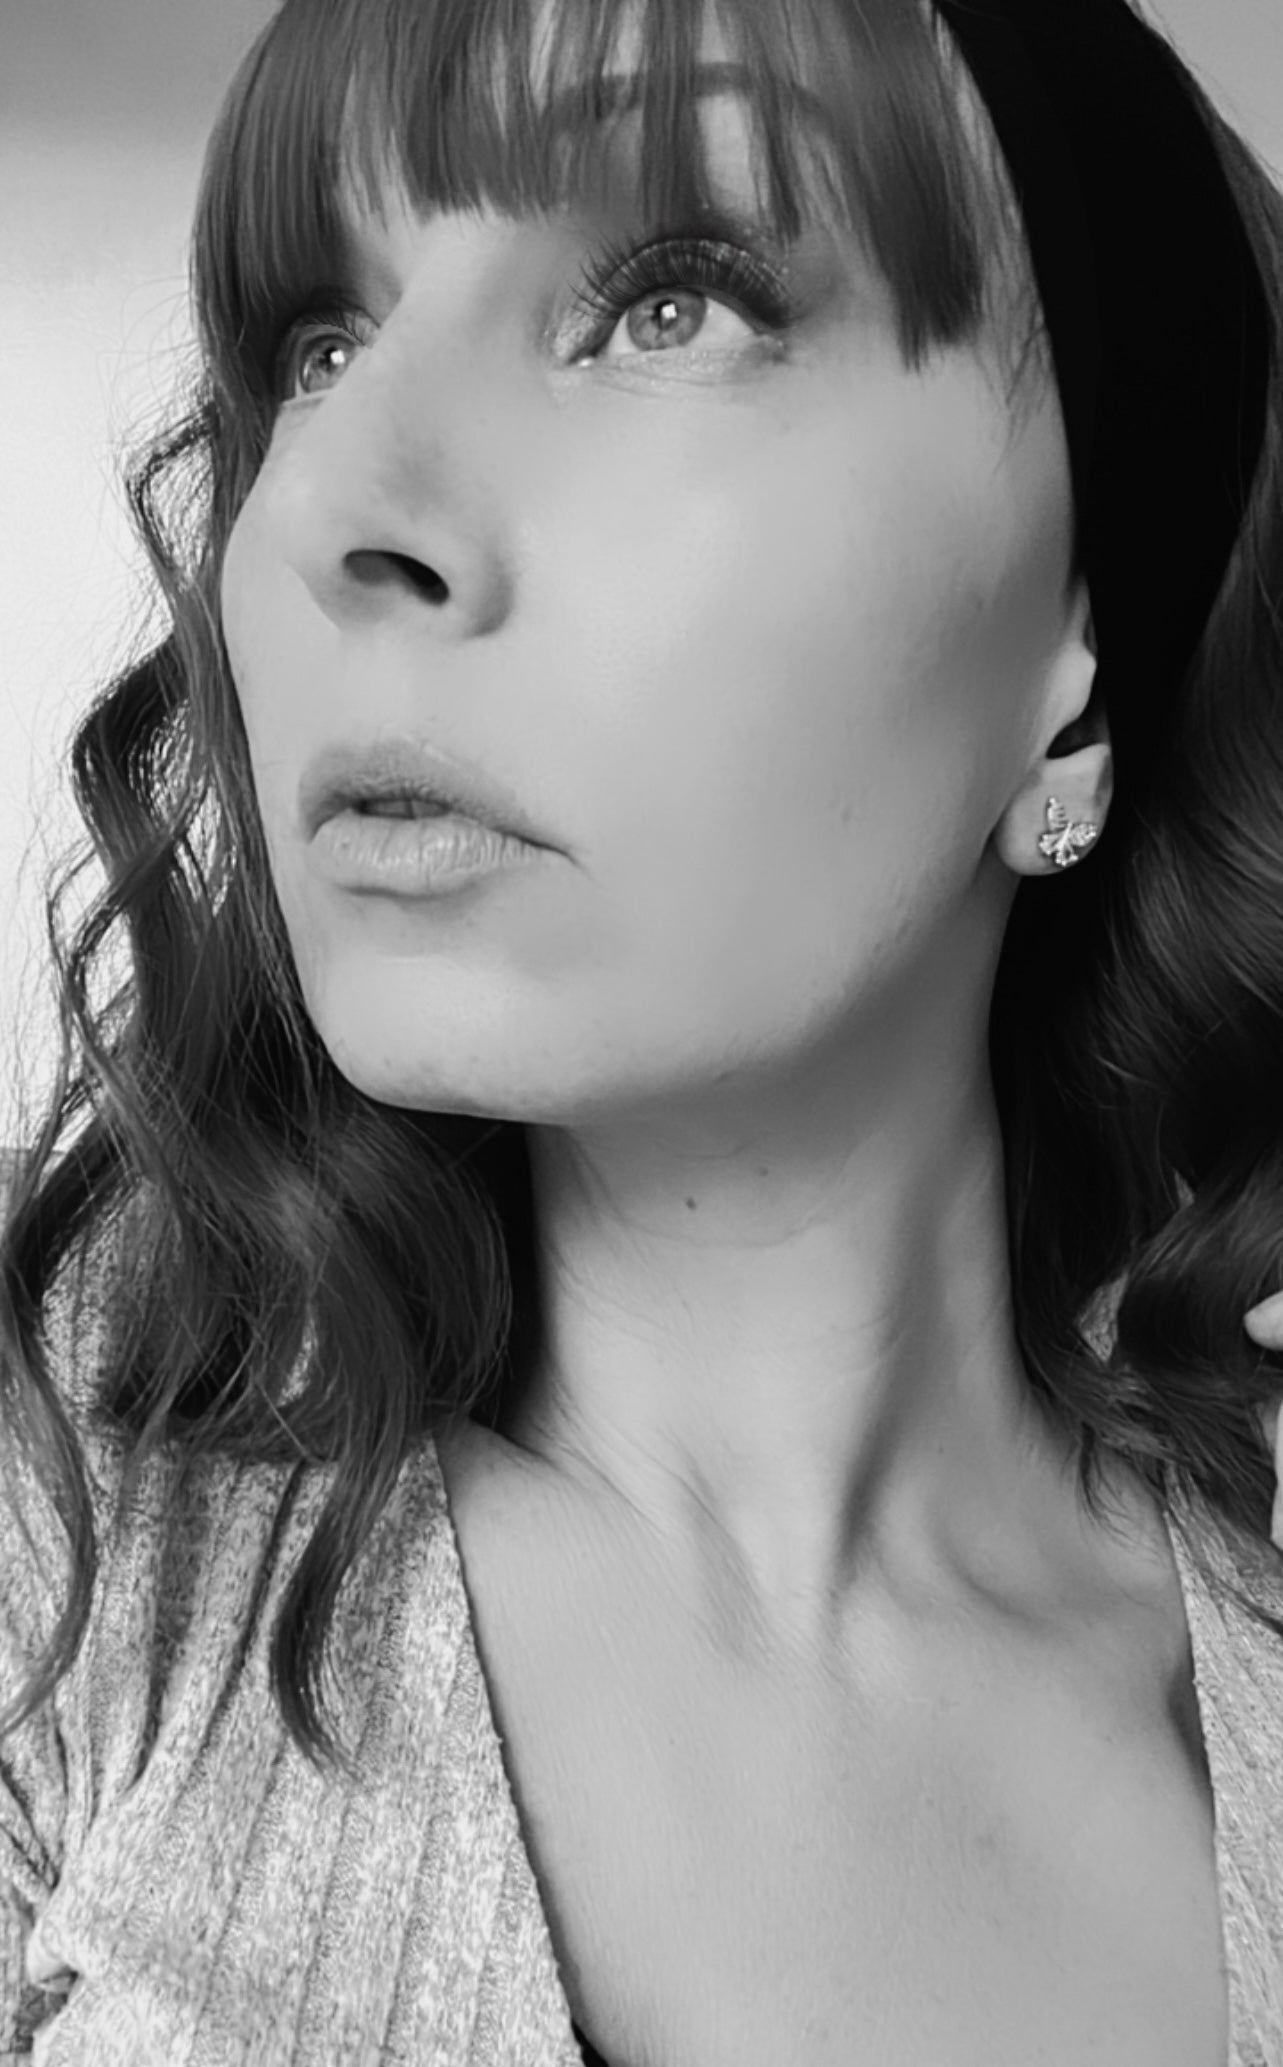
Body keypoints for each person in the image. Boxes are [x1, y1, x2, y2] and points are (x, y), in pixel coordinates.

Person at [2, 0, 1282, 2061]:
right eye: (318, 345)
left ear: (1090, 625)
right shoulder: (67, 1510)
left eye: (671, 298)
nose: (331, 501)